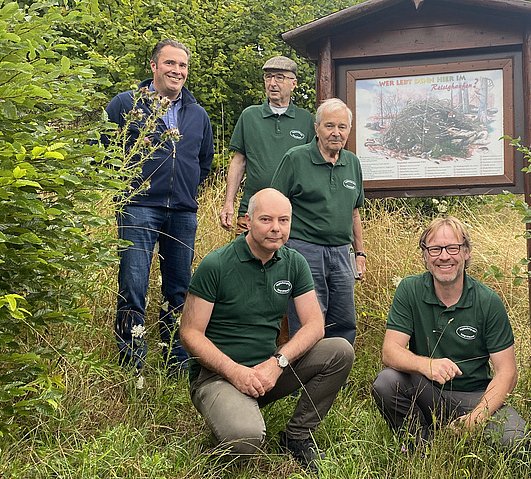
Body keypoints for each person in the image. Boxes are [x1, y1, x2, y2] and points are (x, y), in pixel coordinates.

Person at [179, 188, 354, 471]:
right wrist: (236, 372)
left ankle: (297, 436)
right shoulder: (217, 264)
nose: (276, 229)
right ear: (247, 220)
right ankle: (231, 421)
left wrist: (278, 363)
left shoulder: (294, 263)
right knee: (246, 440)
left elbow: (314, 325)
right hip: (217, 377)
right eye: (266, 220)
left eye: (284, 221)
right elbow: (189, 333)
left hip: (267, 370)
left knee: (339, 351)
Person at [104, 39, 214, 372]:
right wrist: (125, 184)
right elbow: (103, 148)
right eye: (170, 64)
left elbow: (204, 162)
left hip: (182, 211)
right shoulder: (126, 104)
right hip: (138, 206)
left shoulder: (198, 115)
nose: (177, 71)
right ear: (154, 66)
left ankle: (175, 361)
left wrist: (183, 187)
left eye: (182, 66)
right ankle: (131, 363)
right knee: (133, 284)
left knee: (180, 286)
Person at [371, 217, 527, 448]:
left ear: (466, 252)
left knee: (514, 439)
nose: (444, 256)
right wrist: (427, 365)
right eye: (435, 249)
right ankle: (420, 446)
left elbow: (507, 372)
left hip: (475, 395)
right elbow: (390, 352)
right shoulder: (409, 290)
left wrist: (477, 417)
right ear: (425, 255)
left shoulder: (487, 300)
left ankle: (463, 432)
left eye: (453, 248)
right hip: (427, 390)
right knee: (386, 382)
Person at [270, 98, 366, 345]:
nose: (336, 133)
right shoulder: (296, 158)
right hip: (304, 251)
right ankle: (304, 379)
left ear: (349, 130)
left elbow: (354, 213)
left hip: (342, 254)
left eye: (342, 127)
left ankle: (335, 378)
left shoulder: (352, 163)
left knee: (344, 321)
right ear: (316, 128)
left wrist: (360, 253)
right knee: (307, 322)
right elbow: (274, 206)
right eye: (329, 126)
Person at [219, 56, 315, 234]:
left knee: (288, 261)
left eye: (280, 77)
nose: (272, 83)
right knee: (248, 260)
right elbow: (238, 162)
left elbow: (313, 168)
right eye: (268, 76)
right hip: (252, 212)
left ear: (293, 83)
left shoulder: (306, 120)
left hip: (293, 215)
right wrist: (228, 203)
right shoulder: (250, 116)